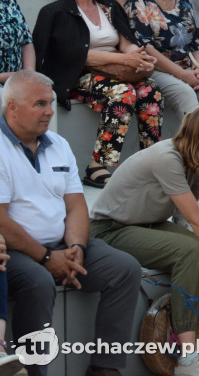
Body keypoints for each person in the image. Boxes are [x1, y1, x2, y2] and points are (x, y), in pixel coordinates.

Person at [89, 105, 199, 375]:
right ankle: (188, 359)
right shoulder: (167, 158)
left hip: (148, 225)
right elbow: (196, 221)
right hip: (109, 230)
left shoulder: (190, 159)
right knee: (191, 250)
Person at [0, 70, 142, 376]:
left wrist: (76, 247)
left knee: (124, 268)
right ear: (12, 107)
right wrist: (46, 258)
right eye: (40, 104)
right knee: (37, 283)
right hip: (16, 252)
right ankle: (34, 372)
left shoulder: (58, 143)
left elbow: (76, 205)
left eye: (50, 103)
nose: (50, 111)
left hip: (62, 245)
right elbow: (1, 221)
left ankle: (105, 367)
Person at [33, 0, 161, 186]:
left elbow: (125, 41)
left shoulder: (108, 4)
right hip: (77, 74)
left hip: (114, 70)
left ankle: (149, 160)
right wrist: (124, 61)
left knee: (150, 90)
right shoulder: (56, 12)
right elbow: (75, 56)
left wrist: (137, 56)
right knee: (123, 92)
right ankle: (98, 165)